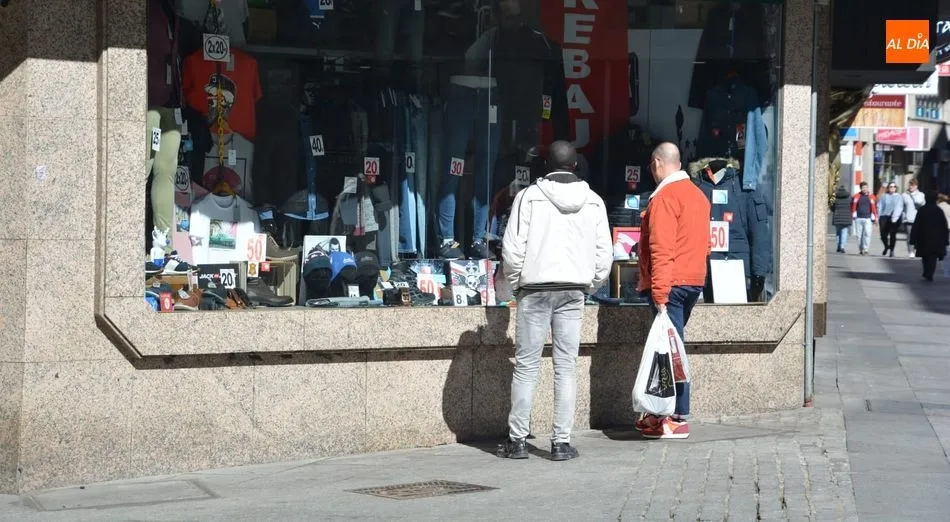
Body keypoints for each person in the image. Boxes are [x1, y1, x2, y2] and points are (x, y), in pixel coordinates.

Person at [499, 140, 612, 461]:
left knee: (526, 367)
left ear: (546, 165)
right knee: (566, 368)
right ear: (575, 165)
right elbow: (604, 254)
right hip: (573, 291)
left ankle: (517, 441)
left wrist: (518, 284)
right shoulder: (593, 201)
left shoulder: (529, 197)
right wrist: (590, 285)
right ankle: (561, 443)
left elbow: (512, 250)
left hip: (534, 289)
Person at [635, 143, 710, 440]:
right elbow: (705, 245)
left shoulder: (665, 197)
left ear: (657, 163)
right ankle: (660, 414)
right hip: (692, 280)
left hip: (672, 283)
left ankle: (676, 415)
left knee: (670, 351)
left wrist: (660, 294)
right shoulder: (698, 195)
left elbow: (662, 249)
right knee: (673, 346)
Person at [909, 191, 949, 282]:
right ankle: (929, 273)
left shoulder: (922, 210)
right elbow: (944, 226)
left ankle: (927, 271)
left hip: (923, 238)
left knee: (925, 256)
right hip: (936, 239)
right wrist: (945, 239)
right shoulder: (938, 211)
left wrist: (913, 238)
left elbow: (916, 225)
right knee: (933, 257)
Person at [877, 181, 904, 257]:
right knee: (883, 234)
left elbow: (899, 207)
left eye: (894, 186)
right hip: (884, 216)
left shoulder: (899, 196)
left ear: (896, 188)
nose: (892, 188)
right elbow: (880, 206)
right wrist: (878, 216)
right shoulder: (884, 196)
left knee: (893, 234)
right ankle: (886, 246)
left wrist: (895, 217)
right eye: (891, 186)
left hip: (894, 217)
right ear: (888, 188)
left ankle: (892, 250)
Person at [850, 181, 877, 255]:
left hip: (868, 218)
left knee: (867, 234)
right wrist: (852, 214)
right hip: (858, 218)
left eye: (866, 187)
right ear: (860, 188)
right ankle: (861, 249)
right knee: (859, 235)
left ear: (868, 188)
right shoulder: (856, 196)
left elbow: (874, 207)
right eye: (863, 187)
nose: (864, 189)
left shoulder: (872, 196)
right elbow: (852, 206)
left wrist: (875, 217)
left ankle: (865, 249)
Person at [902, 179, 926, 257]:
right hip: (908, 219)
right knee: (910, 236)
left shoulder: (921, 195)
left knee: (919, 236)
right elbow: (901, 207)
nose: (910, 187)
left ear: (916, 186)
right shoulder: (904, 195)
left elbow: (920, 203)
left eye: (912, 185)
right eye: (910, 185)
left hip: (918, 219)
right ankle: (911, 251)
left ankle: (918, 249)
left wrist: (912, 195)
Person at [831, 185, 853, 253]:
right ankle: (842, 246)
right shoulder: (849, 197)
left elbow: (832, 207)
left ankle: (838, 245)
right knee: (844, 232)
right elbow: (851, 206)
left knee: (838, 232)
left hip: (837, 216)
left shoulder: (835, 197)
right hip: (846, 217)